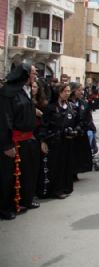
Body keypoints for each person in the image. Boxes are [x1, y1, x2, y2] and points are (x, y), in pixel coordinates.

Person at [0, 64, 39, 220]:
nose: (35, 76)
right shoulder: (7, 93)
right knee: (8, 177)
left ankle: (25, 200)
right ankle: (5, 207)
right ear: (25, 74)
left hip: (28, 139)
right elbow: (4, 120)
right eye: (33, 73)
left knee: (27, 173)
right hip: (13, 141)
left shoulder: (25, 90)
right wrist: (6, 144)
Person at [69, 83, 94, 176]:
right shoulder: (67, 102)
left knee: (80, 154)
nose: (81, 92)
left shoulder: (83, 103)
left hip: (81, 132)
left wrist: (82, 127)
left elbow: (88, 117)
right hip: (70, 133)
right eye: (79, 90)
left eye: (82, 90)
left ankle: (77, 171)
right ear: (73, 91)